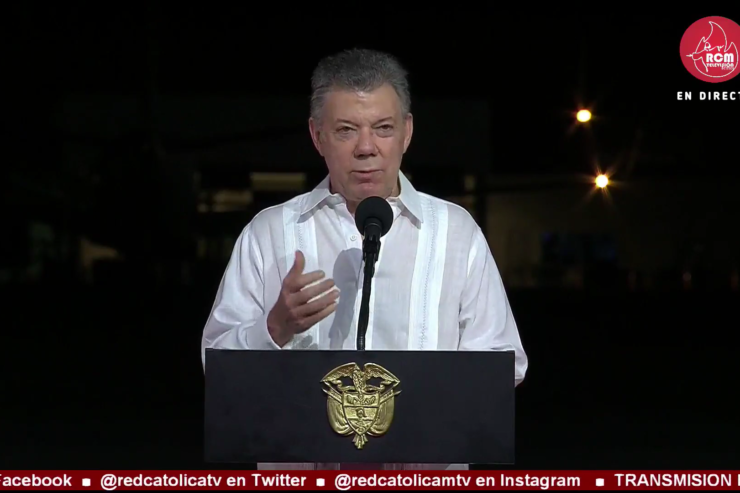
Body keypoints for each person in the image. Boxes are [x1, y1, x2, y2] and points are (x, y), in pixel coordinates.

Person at [201, 48, 528, 471]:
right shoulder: (269, 233)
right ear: (317, 135)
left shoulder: (456, 232)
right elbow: (215, 362)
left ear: (407, 133)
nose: (367, 148)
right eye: (346, 130)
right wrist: (274, 328)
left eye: (383, 128)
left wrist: (425, 406)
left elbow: (505, 364)